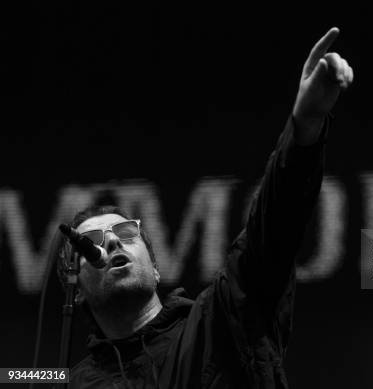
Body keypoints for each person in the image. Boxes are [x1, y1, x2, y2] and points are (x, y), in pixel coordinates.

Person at [56, 27, 353, 388]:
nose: (113, 243)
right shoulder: (69, 381)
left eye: (126, 232)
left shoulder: (220, 321)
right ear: (74, 289)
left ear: (156, 269)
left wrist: (305, 125)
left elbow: (273, 228)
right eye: (94, 242)